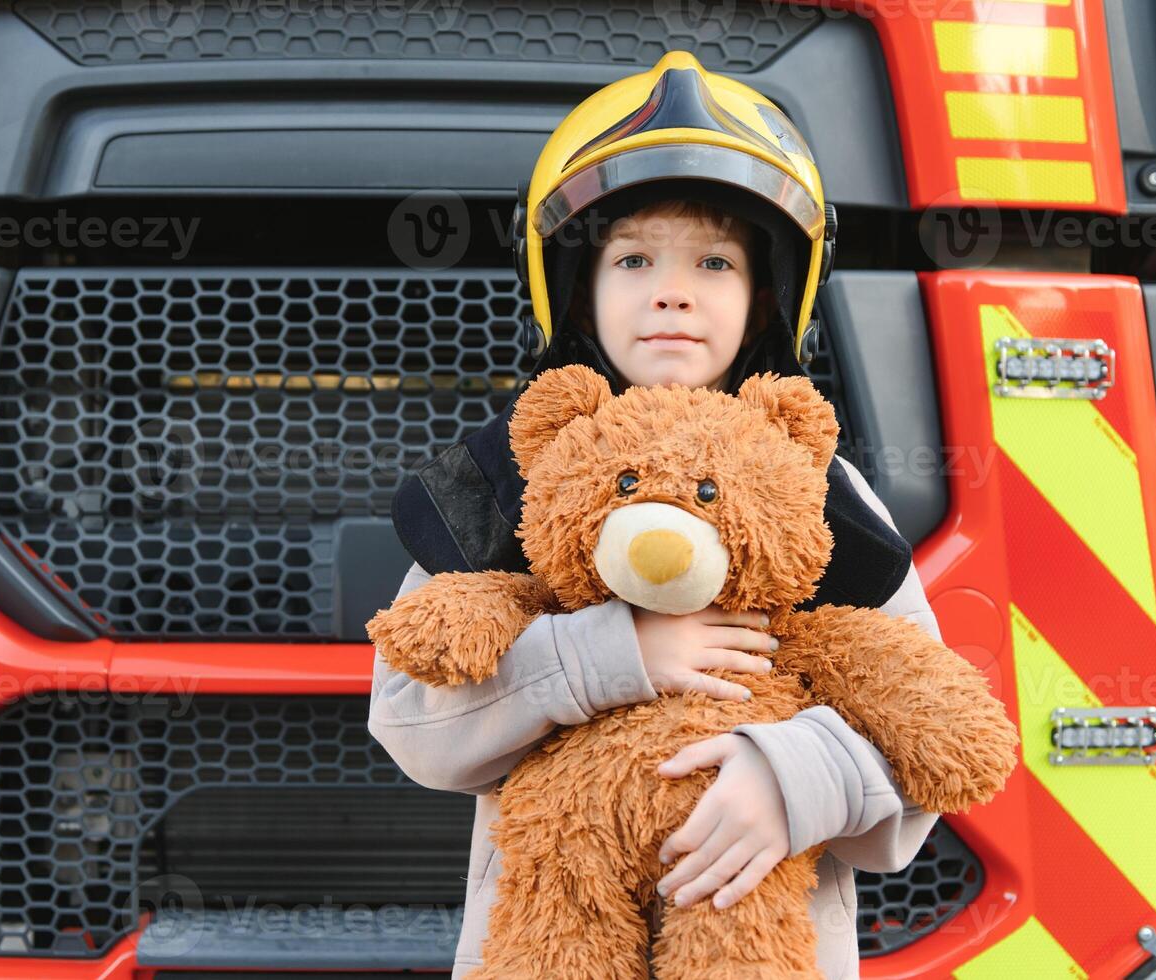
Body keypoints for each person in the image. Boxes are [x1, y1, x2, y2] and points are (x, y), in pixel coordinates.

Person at [368, 51, 941, 979]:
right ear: (576, 286)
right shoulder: (508, 480)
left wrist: (789, 777)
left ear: (765, 295)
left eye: (712, 261)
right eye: (633, 258)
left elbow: (923, 729)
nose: (670, 290)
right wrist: (613, 655)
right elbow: (411, 728)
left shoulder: (819, 490)